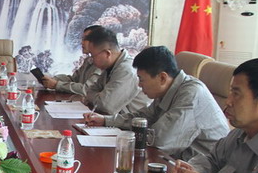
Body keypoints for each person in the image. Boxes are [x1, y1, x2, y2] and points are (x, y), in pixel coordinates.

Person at [84, 45, 228, 160]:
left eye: (142, 79)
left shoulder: (191, 94)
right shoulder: (168, 88)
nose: (139, 85)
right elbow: (144, 117)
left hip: (201, 169)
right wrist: (106, 121)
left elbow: (161, 140)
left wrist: (125, 138)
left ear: (162, 78)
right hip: (175, 160)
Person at [81, 26, 149, 116]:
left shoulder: (126, 70)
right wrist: (97, 97)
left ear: (107, 54)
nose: (91, 60)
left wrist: (95, 97)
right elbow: (89, 90)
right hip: (113, 120)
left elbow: (106, 106)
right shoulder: (110, 67)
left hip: (130, 122)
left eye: (92, 55)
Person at [41, 25, 102, 95]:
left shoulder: (103, 64)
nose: (82, 42)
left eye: (85, 39)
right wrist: (52, 79)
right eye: (82, 39)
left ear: (97, 41)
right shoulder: (88, 60)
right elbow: (73, 79)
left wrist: (56, 85)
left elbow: (87, 89)